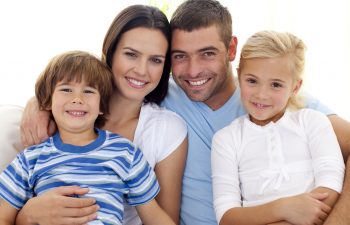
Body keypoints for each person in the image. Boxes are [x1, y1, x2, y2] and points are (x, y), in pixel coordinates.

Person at [11, 0, 350, 224]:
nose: (192, 71)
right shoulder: (161, 98)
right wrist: (38, 103)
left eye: (207, 53)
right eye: (178, 56)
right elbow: (77, 81)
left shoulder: (273, 98)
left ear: (231, 48)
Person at [9, 5, 187, 225]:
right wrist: (28, 215)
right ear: (110, 52)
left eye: (156, 60)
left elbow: (162, 218)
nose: (142, 70)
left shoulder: (151, 137)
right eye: (131, 54)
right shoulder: (64, 114)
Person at [211, 30, 345, 225]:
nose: (261, 95)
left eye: (275, 84)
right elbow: (226, 216)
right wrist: (284, 209)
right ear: (238, 75)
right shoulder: (226, 139)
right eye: (252, 81)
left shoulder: (312, 122)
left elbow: (331, 181)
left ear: (295, 87)